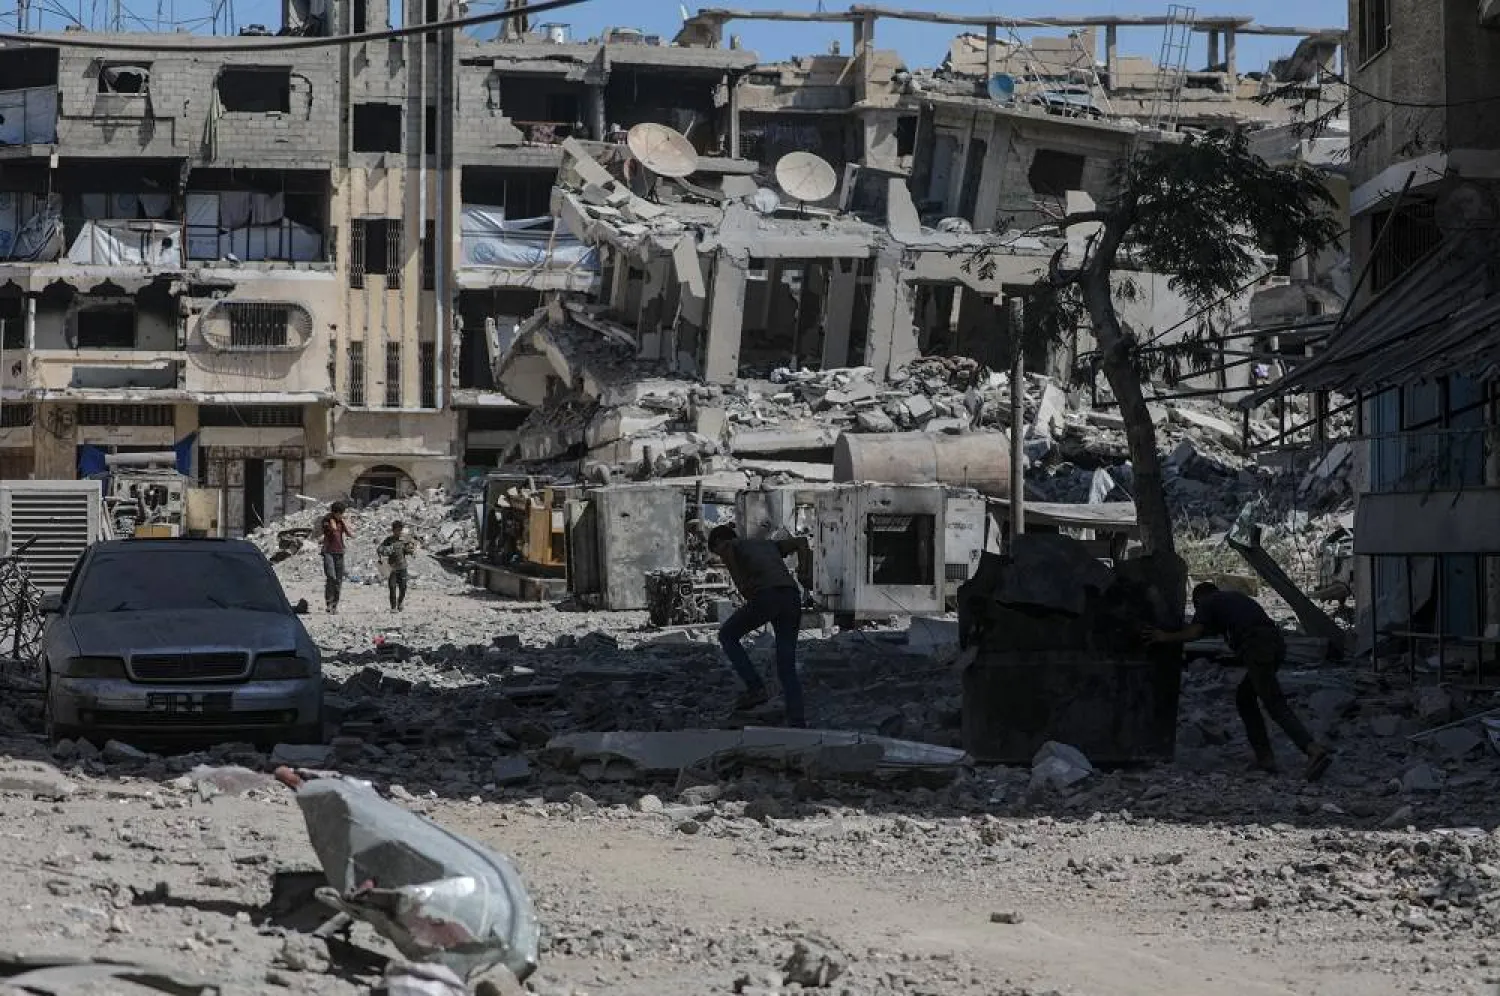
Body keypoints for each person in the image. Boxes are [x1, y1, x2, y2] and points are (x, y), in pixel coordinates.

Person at [1145, 581, 1332, 781]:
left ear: (1199, 600)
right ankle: (1265, 758)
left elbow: (1195, 632)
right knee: (1245, 698)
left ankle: (1312, 750)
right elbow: (1206, 631)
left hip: (1258, 646)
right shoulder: (1232, 601)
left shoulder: (1209, 602)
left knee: (1274, 702)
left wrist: (1164, 636)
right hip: (1274, 644)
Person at [708, 524, 812, 727]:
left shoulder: (731, 545)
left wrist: (746, 590)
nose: (721, 557)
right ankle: (798, 722)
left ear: (720, 541)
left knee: (727, 636)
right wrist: (805, 572)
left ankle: (755, 688)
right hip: (791, 597)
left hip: (767, 596)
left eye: (717, 551)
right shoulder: (767, 545)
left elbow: (738, 576)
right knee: (786, 666)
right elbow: (802, 542)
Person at [320, 501, 353, 614]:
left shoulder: (340, 522)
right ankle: (329, 602)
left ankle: (334, 605)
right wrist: (331, 520)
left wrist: (344, 522)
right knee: (331, 577)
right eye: (340, 513)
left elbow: (350, 534)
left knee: (338, 580)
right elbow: (331, 529)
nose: (342, 515)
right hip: (328, 552)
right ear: (335, 513)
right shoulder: (326, 521)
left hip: (339, 552)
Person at [378, 520, 418, 613]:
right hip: (391, 568)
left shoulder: (404, 540)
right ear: (393, 530)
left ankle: (400, 603)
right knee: (392, 587)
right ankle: (393, 607)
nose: (399, 532)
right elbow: (379, 549)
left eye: (400, 530)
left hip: (402, 567)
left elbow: (408, 550)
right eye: (397, 530)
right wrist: (385, 551)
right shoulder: (388, 540)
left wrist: (411, 551)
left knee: (403, 587)